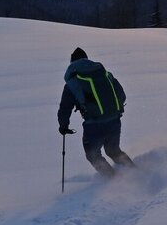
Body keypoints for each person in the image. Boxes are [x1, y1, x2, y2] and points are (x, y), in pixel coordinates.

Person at [58, 47, 135, 177]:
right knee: (113, 151)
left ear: (72, 63)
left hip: (94, 125)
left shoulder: (73, 82)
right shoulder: (105, 74)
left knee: (93, 155)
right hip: (114, 120)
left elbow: (65, 108)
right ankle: (136, 173)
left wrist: (63, 126)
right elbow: (122, 95)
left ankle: (113, 181)